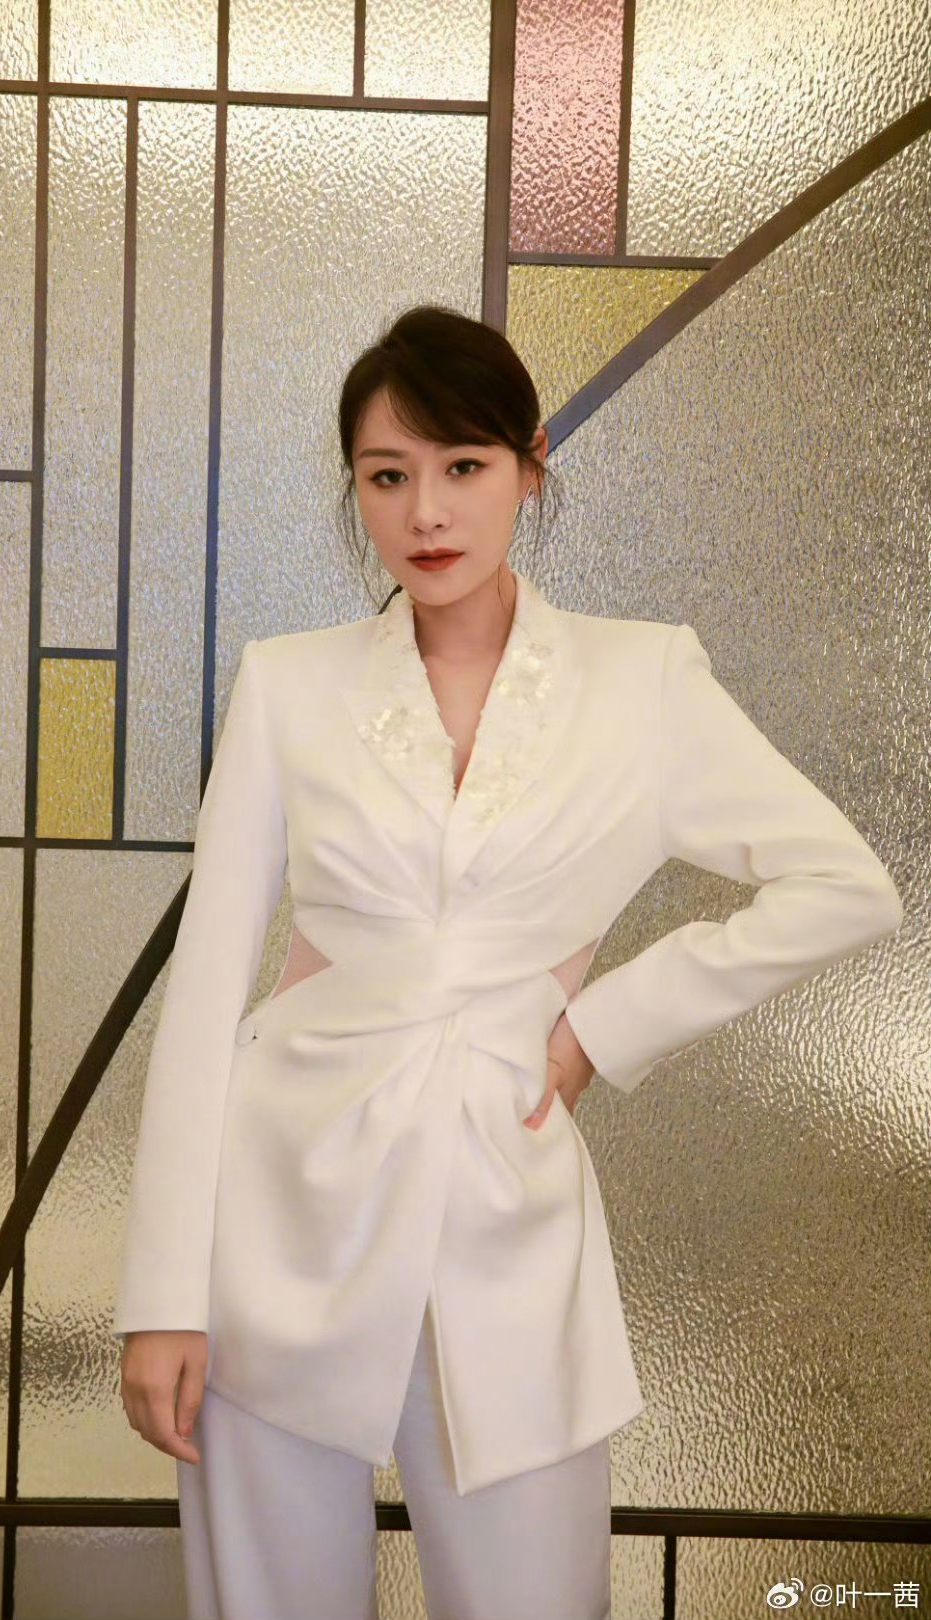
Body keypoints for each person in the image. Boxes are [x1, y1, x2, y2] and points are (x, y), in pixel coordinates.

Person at [114, 305, 904, 1620]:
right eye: (387, 476)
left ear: (531, 466)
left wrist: (600, 1027)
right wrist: (161, 1299)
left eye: (464, 466)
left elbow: (844, 886)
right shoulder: (288, 686)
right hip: (278, 1210)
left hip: (505, 1207)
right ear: (356, 490)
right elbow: (203, 998)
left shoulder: (643, 681)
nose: (426, 511)